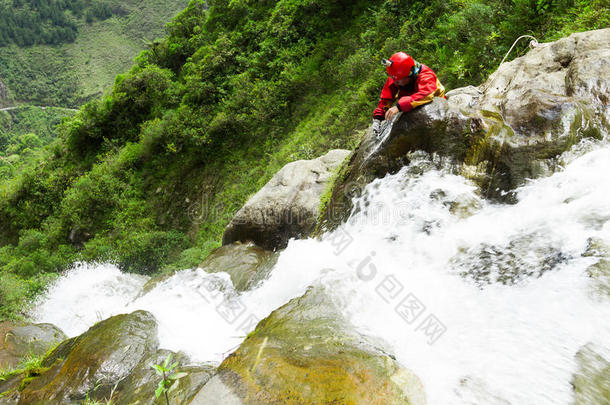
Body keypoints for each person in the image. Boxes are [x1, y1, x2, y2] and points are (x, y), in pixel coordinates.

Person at [372, 52, 445, 136]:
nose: (395, 82)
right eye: (392, 78)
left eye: (398, 80)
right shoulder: (397, 75)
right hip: (409, 104)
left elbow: (425, 95)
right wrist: (378, 117)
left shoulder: (426, 76)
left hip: (434, 107)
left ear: (409, 75)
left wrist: (398, 107)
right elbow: (386, 98)